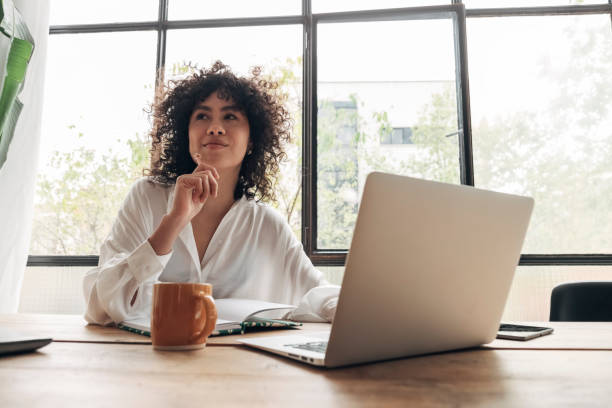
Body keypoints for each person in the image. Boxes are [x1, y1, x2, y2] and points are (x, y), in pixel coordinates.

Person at [83, 61, 339, 326]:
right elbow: (101, 308)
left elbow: (320, 295)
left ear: (252, 140)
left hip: (238, 365)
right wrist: (173, 222)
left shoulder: (266, 224)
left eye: (230, 117)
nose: (215, 128)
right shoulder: (146, 197)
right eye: (202, 116)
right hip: (151, 361)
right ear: (187, 133)